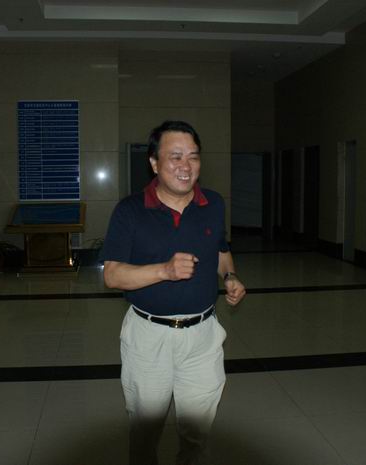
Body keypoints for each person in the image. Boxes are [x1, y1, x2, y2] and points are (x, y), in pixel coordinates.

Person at [102, 120, 246, 465]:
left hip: (202, 336)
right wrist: (164, 271)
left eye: (193, 157)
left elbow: (221, 250)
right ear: (154, 163)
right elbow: (112, 275)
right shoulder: (130, 211)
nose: (186, 166)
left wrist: (230, 276)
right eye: (175, 156)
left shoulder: (213, 204)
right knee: (145, 433)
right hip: (148, 337)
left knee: (198, 434)